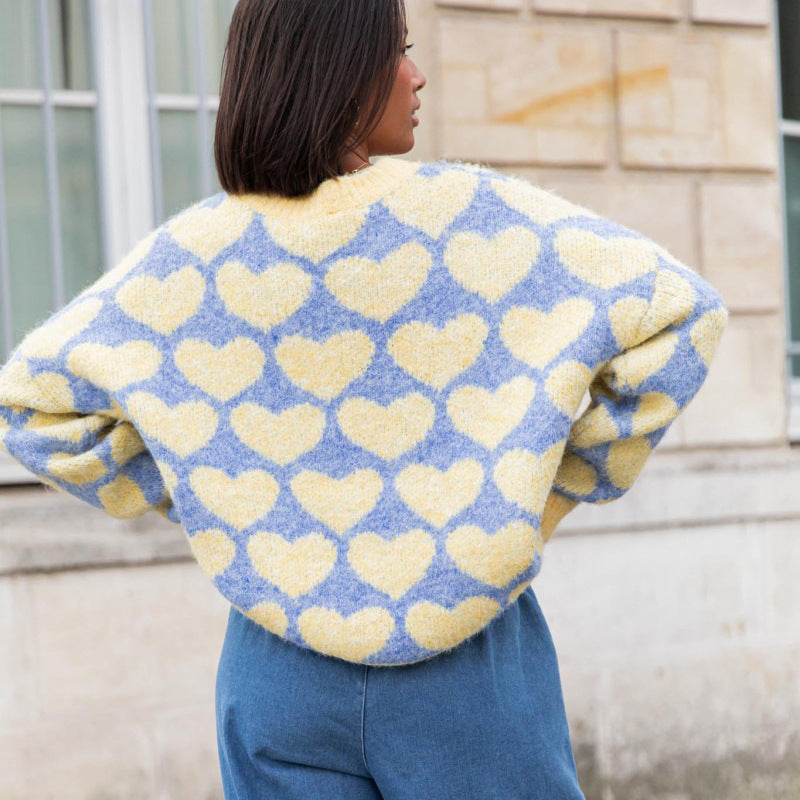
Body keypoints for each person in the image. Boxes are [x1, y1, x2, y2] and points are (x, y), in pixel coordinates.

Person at [0, 0, 729, 797]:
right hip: (464, 658)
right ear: (339, 70)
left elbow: (32, 407)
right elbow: (682, 316)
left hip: (276, 668)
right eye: (398, 51)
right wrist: (544, 485)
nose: (417, 76)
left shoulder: (193, 258)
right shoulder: (479, 219)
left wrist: (226, 492)